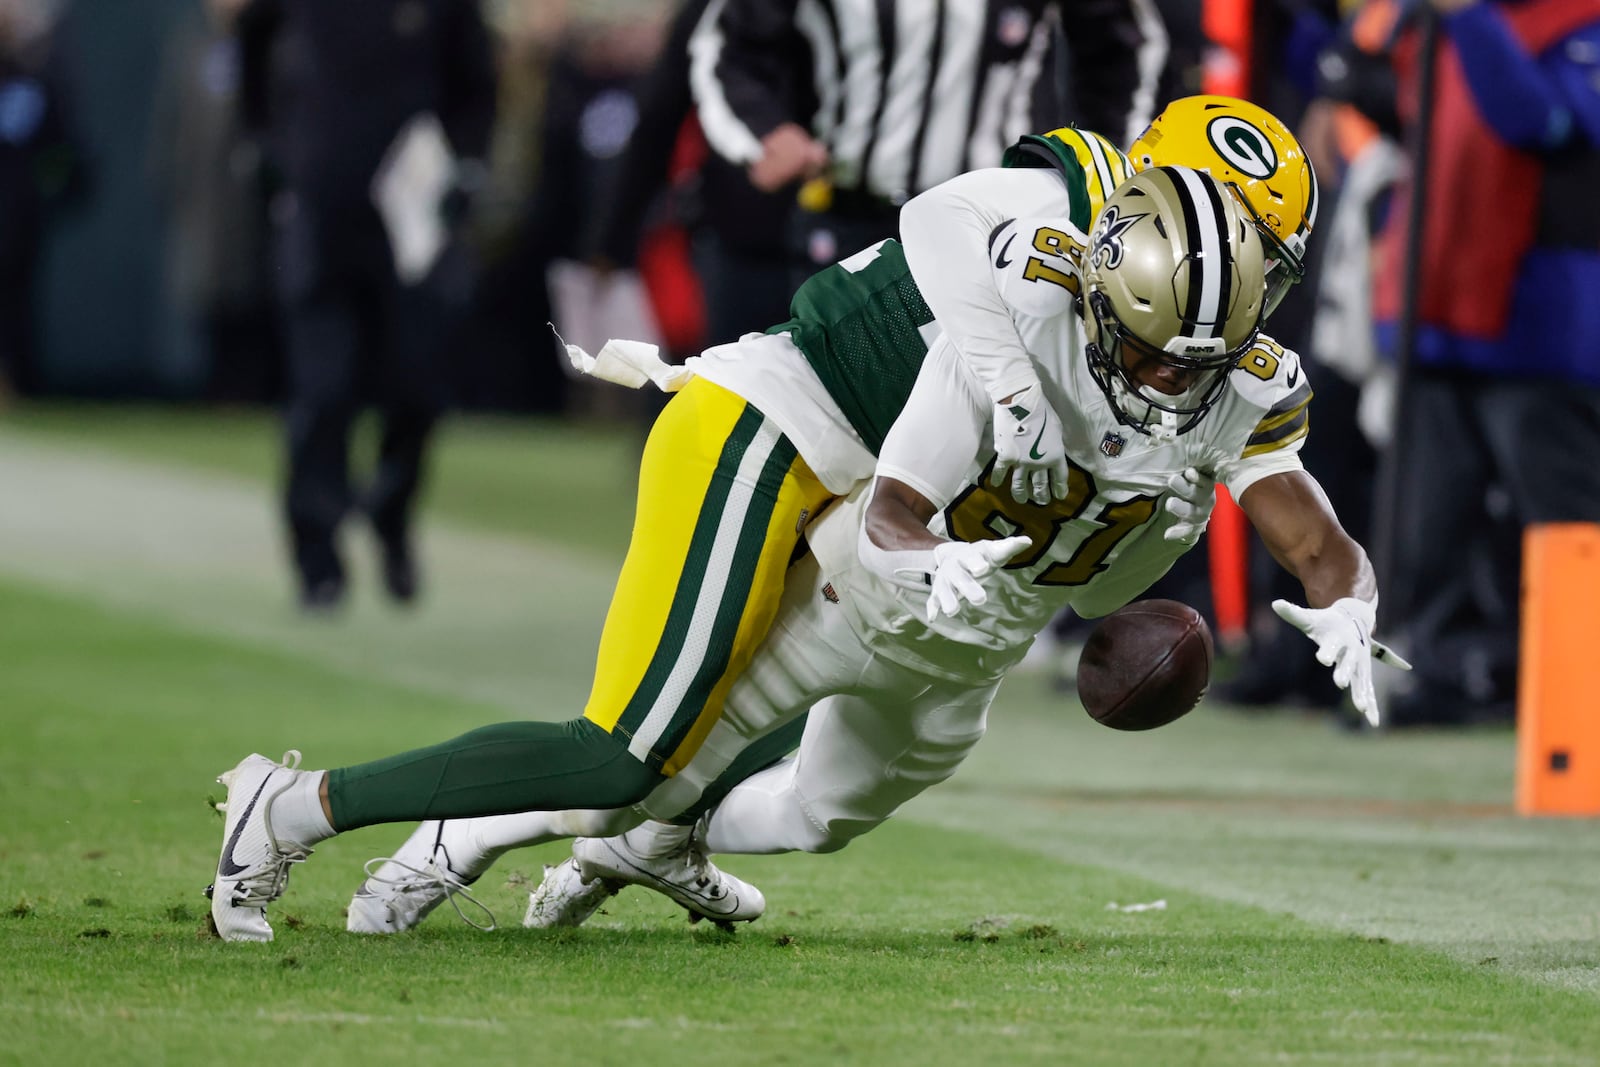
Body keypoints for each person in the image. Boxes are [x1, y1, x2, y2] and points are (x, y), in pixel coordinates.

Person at [1356, 0, 1600, 724]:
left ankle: (1575, 691)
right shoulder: (1432, 22)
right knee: (1426, 513)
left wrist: (1467, 20)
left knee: (1562, 519)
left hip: (1542, 314)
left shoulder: (1580, 25)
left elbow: (1540, 122)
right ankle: (1429, 666)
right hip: (1437, 305)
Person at [235, 0, 497, 611]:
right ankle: (317, 557)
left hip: (412, 222)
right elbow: (251, 47)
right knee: (321, 391)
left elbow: (476, 87)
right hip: (321, 214)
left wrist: (464, 165)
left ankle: (391, 513)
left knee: (417, 387)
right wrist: (264, 147)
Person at [688, 0, 1169, 287]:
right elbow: (725, 47)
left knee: (998, 429)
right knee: (843, 436)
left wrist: (1102, 170)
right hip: (851, 223)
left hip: (998, 231)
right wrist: (765, 134)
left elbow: (1125, 45)